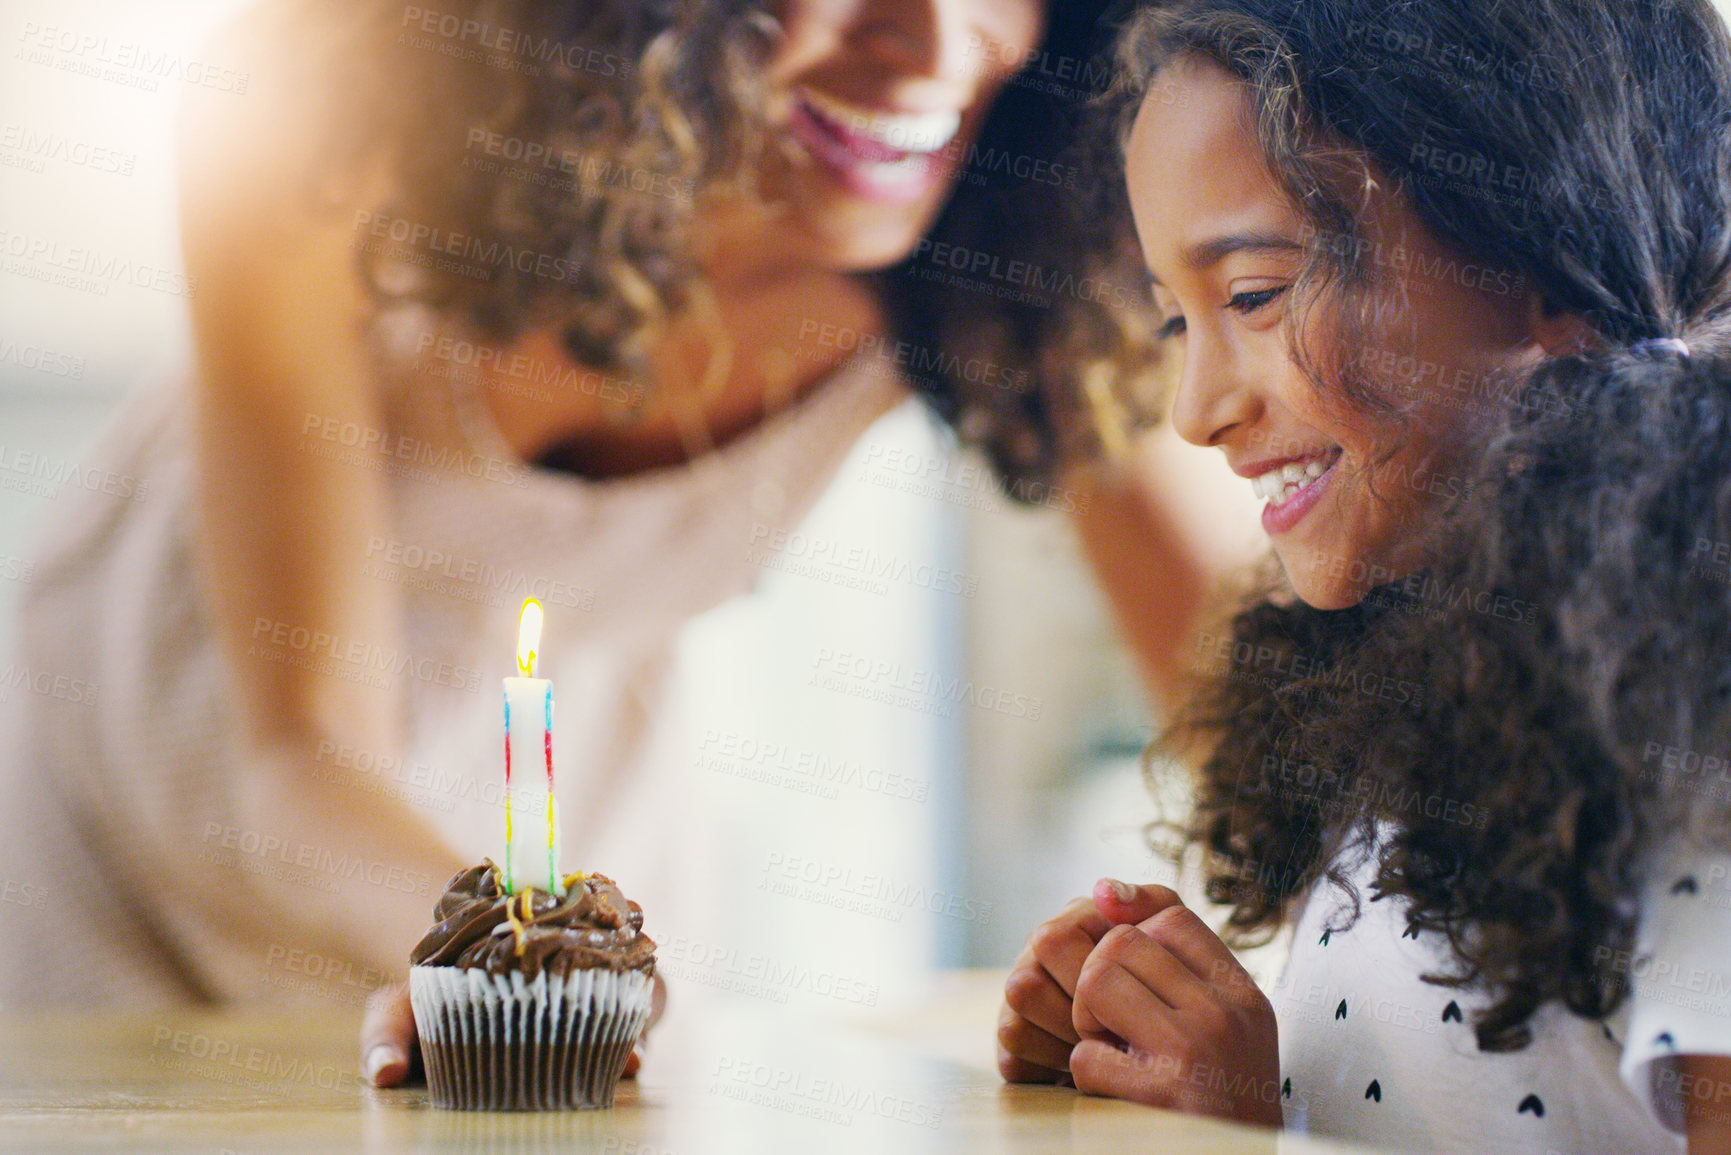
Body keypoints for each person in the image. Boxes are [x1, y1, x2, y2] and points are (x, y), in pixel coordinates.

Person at [0, 0, 1241, 1086]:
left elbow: (1244, 712)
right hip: (146, 806)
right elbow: (298, 754)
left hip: (543, 837)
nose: (927, 38)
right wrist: (511, 952)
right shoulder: (325, 101)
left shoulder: (1020, 250)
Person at [998, 1, 1731, 1152]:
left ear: (1542, 255)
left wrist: (1246, 1131)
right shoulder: (1442, 695)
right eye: (1171, 325)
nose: (1195, 413)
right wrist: (1180, 1080)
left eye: (1251, 295)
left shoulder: (1697, 750)